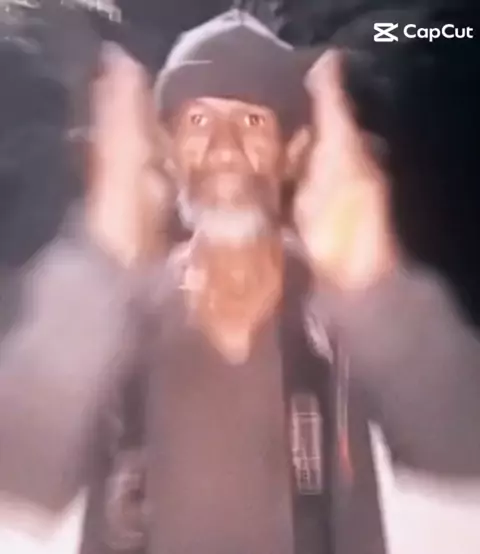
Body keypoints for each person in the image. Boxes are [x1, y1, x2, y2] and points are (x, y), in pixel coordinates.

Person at [0, 9, 479, 554]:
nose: (225, 147)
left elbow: (462, 445)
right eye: (198, 120)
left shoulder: (345, 322)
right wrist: (101, 264)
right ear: (169, 153)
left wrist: (375, 286)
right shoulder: (117, 320)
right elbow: (16, 468)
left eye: (252, 120)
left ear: (291, 152)